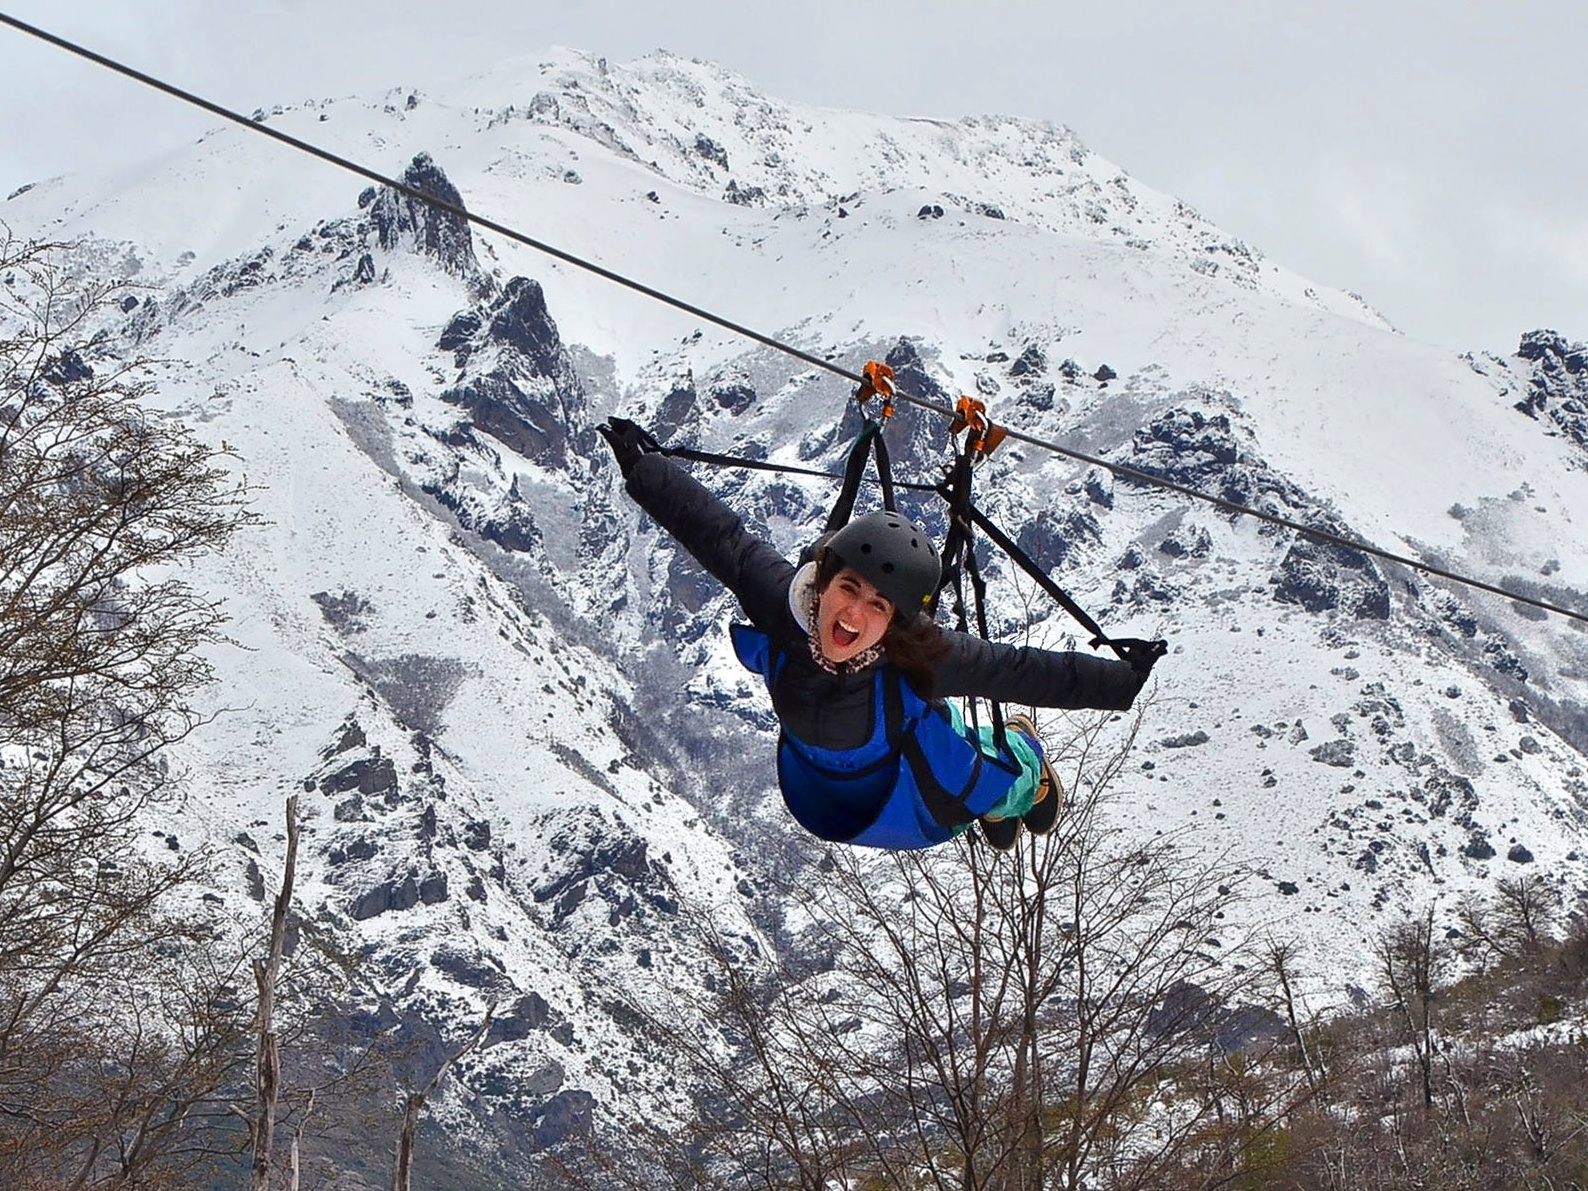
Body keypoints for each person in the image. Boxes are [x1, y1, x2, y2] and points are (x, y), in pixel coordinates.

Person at [599, 417, 1165, 851]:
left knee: (984, 771)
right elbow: (721, 537)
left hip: (905, 786)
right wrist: (644, 469)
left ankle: (1027, 772)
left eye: (878, 605)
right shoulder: (785, 607)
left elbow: (1019, 670)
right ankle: (1001, 765)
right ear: (823, 582)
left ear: (895, 622)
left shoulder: (919, 657)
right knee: (942, 731)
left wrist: (1121, 681)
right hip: (828, 788)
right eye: (850, 588)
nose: (855, 615)